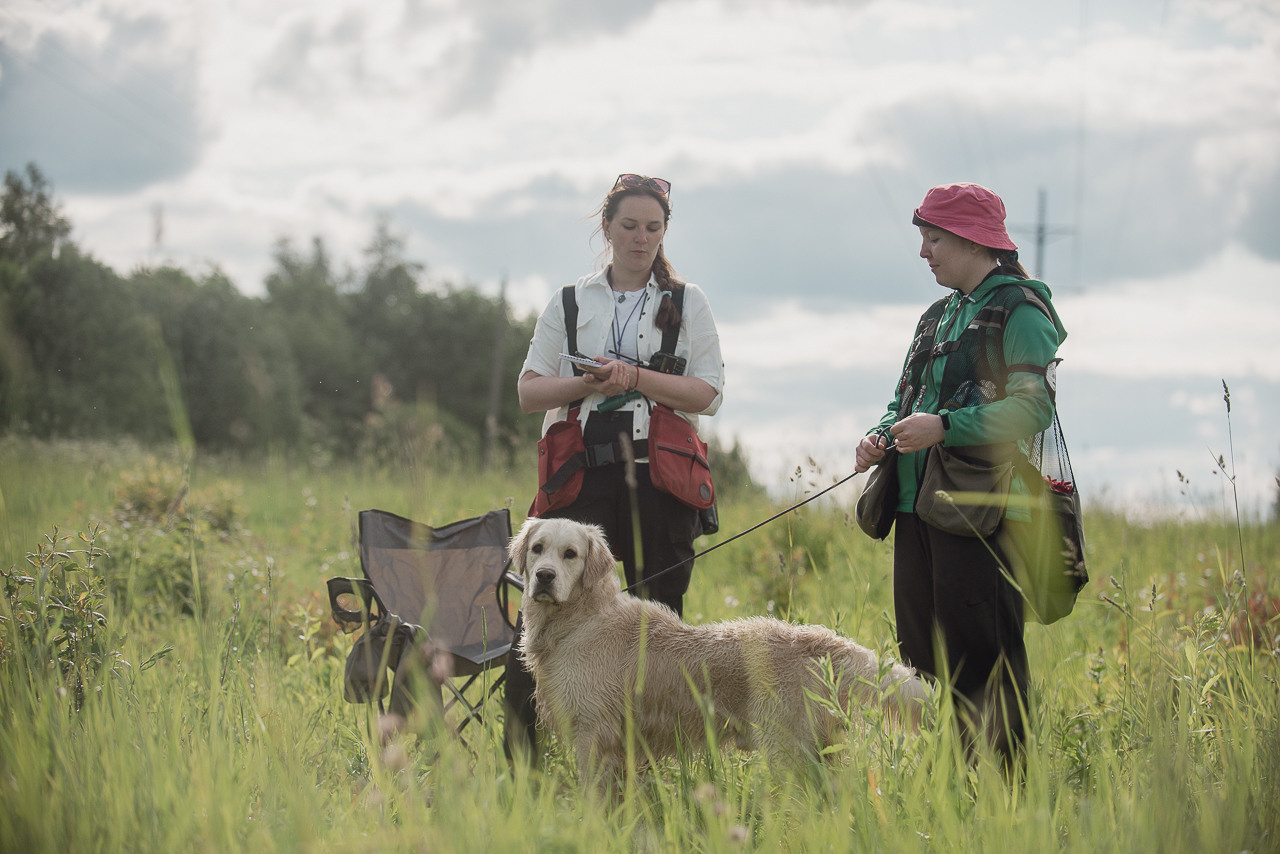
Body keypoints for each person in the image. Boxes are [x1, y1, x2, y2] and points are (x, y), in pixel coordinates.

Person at [504, 173, 725, 761]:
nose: (641, 238)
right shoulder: (571, 301)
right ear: (606, 227)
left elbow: (707, 392)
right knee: (540, 625)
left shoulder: (687, 300)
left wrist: (632, 377)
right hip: (580, 473)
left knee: (661, 633)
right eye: (629, 226)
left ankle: (657, 766)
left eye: (653, 228)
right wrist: (586, 381)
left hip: (660, 476)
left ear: (664, 232)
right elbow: (529, 393)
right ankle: (523, 769)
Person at [854, 182, 1068, 770]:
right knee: (918, 658)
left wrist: (945, 425)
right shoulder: (937, 314)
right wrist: (880, 435)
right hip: (913, 506)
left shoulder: (1022, 308)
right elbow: (906, 400)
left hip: (983, 512)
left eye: (933, 239)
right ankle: (948, 781)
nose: (924, 252)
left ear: (973, 241)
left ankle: (1005, 794)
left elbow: (1034, 408)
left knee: (984, 657)